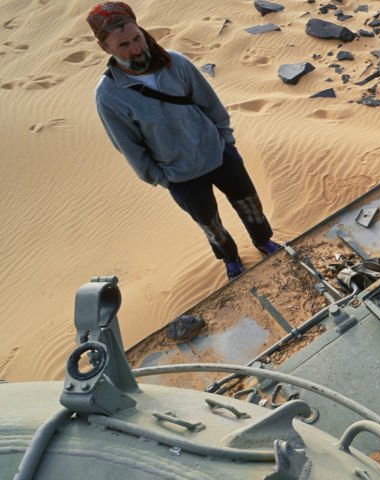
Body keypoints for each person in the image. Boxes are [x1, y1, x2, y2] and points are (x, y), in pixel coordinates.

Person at [88, 2, 281, 280]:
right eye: (123, 45)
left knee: (249, 204)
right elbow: (129, 147)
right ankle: (231, 260)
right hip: (180, 176)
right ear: (105, 48)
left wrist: (225, 141)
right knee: (209, 224)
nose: (135, 49)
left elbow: (210, 103)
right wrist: (162, 178)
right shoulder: (109, 95)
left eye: (137, 38)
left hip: (219, 154)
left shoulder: (175, 63)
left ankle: (264, 242)